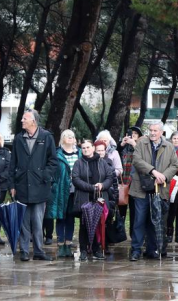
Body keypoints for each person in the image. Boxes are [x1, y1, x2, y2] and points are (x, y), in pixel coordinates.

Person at [11, 110, 58, 262]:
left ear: (33, 121)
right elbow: (13, 163)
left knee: (38, 222)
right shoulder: (18, 139)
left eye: (25, 118)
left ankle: (39, 251)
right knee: (23, 222)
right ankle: (24, 251)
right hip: (22, 186)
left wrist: (45, 175)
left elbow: (53, 161)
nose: (22, 120)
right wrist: (12, 184)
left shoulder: (47, 137)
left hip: (40, 186)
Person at [130, 122, 178, 260]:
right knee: (139, 220)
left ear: (161, 132)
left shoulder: (169, 146)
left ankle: (152, 250)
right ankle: (135, 250)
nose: (152, 133)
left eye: (155, 130)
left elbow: (174, 165)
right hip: (141, 188)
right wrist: (153, 171)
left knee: (156, 220)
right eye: (150, 130)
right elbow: (137, 160)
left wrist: (164, 176)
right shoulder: (141, 143)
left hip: (159, 189)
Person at [71, 139, 116, 261]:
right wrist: (91, 188)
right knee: (84, 224)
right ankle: (84, 250)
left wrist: (102, 185)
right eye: (83, 148)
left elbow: (110, 177)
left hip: (100, 197)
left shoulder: (102, 162)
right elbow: (75, 179)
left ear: (93, 148)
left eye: (88, 147)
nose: (85, 150)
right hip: (84, 197)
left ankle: (96, 249)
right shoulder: (78, 163)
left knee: (98, 224)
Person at [50, 130, 79, 259]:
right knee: (61, 217)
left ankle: (68, 244)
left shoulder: (79, 153)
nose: (70, 138)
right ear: (62, 139)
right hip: (60, 189)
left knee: (70, 217)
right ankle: (61, 245)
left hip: (75, 190)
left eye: (72, 136)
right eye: (68, 136)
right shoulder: (57, 154)